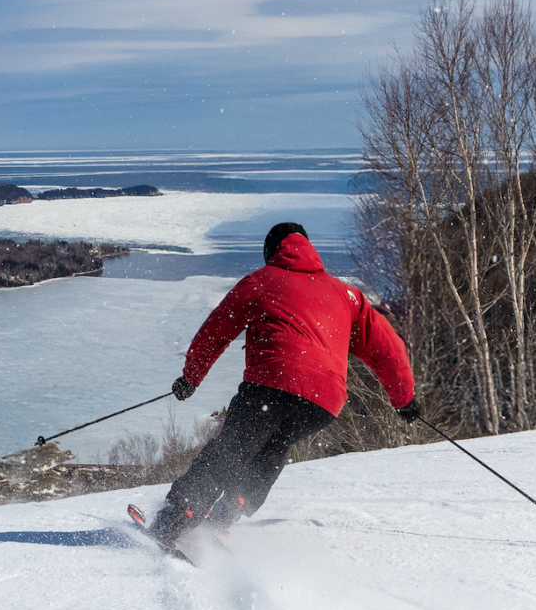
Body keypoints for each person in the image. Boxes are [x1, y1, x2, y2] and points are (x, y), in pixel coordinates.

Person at [148, 222, 420, 550]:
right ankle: (226, 514)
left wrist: (191, 379)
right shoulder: (346, 295)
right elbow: (387, 347)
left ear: (271, 252)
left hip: (271, 385)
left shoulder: (262, 282)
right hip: (322, 403)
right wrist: (404, 399)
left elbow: (215, 332)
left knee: (232, 450)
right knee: (275, 445)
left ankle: (176, 518)